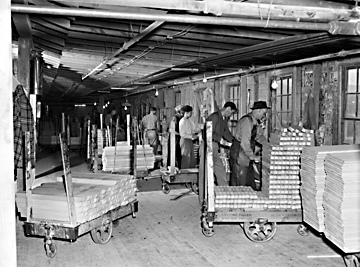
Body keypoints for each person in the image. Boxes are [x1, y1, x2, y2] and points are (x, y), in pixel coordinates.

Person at [229, 101, 269, 190]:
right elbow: (244, 143)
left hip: (246, 155)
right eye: (263, 113)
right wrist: (253, 156)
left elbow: (258, 136)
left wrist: (269, 146)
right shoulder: (247, 122)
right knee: (240, 181)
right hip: (240, 153)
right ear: (258, 111)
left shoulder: (255, 122)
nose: (264, 116)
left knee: (249, 181)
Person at [205, 101, 237, 186]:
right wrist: (220, 141)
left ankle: (224, 191)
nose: (231, 115)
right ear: (228, 109)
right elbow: (208, 133)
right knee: (205, 171)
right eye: (231, 113)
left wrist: (235, 142)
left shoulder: (223, 120)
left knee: (220, 170)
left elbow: (226, 133)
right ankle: (203, 196)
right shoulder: (214, 117)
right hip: (208, 145)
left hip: (215, 146)